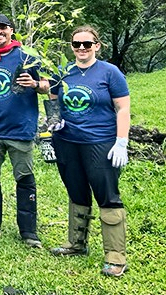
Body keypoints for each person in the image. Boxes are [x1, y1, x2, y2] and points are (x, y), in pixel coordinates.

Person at [48, 25, 132, 277]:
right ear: (71, 47)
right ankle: (76, 243)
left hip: (100, 142)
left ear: (97, 45)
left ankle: (115, 255)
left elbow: (123, 108)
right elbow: (53, 100)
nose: (82, 48)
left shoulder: (110, 72)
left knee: (107, 195)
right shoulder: (63, 72)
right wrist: (56, 120)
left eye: (87, 44)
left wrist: (121, 141)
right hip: (67, 141)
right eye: (77, 44)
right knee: (76, 191)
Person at [0, 14, 47, 247]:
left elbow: (47, 85)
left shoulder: (28, 56)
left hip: (20, 129)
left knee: (24, 179)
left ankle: (28, 231)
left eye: (2, 28)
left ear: (11, 30)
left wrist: (34, 84)